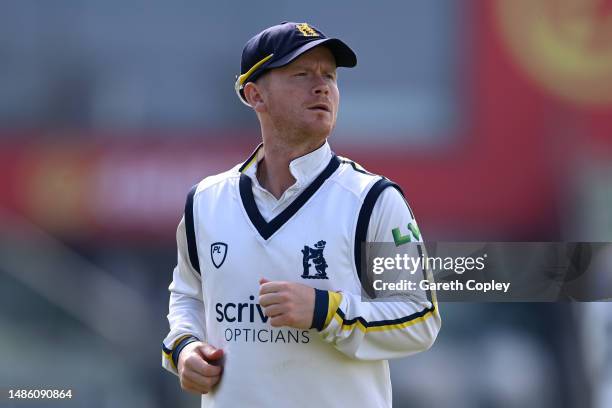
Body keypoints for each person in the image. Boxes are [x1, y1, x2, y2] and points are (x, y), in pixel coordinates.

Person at [162, 21, 441, 407]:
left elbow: (420, 319)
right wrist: (185, 348)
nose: (322, 86)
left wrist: (327, 311)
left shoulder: (374, 200)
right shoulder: (206, 201)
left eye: (329, 75)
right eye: (301, 73)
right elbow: (189, 296)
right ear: (255, 95)